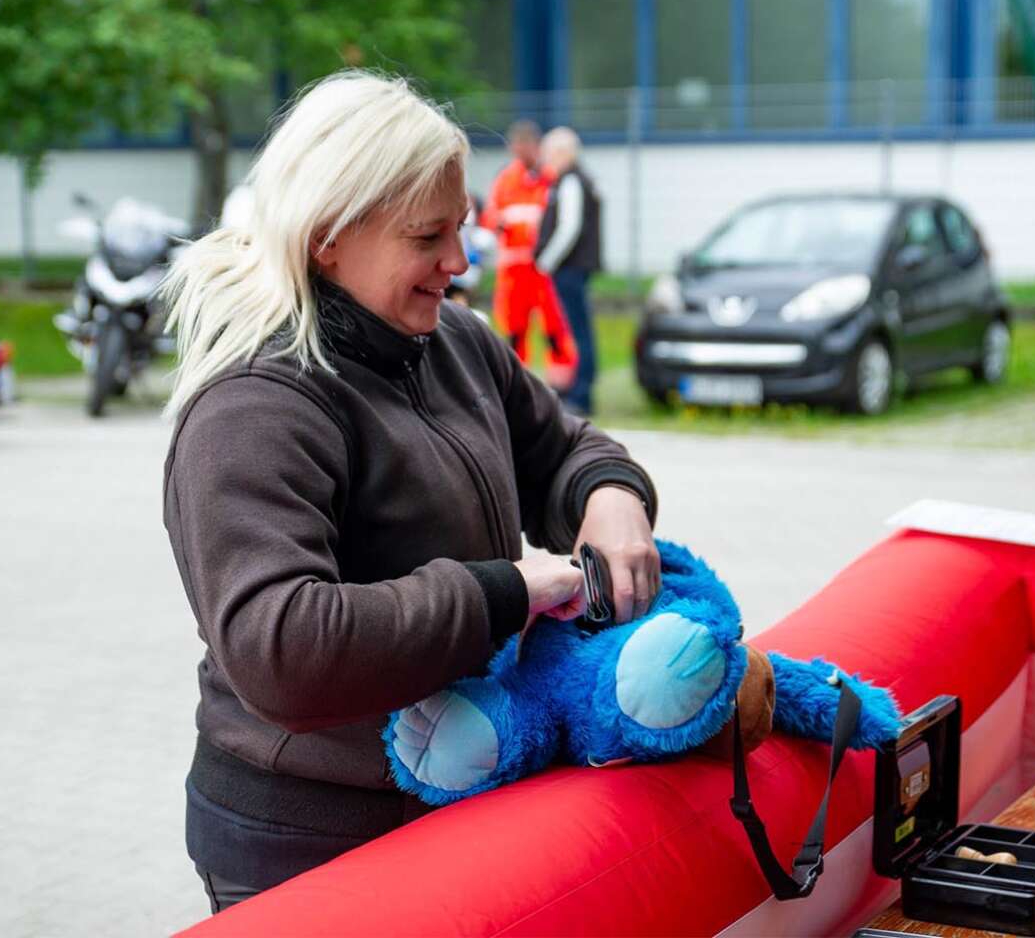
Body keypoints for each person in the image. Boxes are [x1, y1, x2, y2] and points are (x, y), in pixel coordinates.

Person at [160, 71, 662, 913]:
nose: (460, 264)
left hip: (454, 795)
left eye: (461, 228)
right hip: (311, 835)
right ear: (328, 237)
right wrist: (503, 593)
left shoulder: (453, 340)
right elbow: (281, 650)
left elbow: (564, 447)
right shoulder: (252, 406)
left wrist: (608, 494)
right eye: (428, 236)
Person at [482, 120, 577, 388]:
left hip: (543, 268)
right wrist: (497, 223)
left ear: (536, 146)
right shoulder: (506, 178)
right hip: (513, 270)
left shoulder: (550, 177)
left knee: (554, 329)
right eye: (516, 146)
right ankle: (516, 383)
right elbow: (491, 215)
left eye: (526, 145)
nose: (520, 151)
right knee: (514, 329)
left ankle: (562, 386)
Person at [535, 127, 603, 416]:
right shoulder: (575, 180)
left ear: (563, 152)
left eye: (550, 153)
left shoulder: (572, 181)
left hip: (570, 268)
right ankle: (576, 387)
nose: (546, 159)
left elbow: (569, 227)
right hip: (572, 268)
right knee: (575, 330)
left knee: (578, 331)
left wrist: (546, 261)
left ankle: (582, 394)